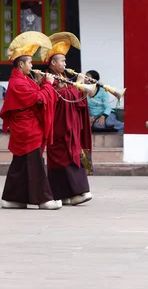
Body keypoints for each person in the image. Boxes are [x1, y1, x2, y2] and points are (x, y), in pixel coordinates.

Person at [0, 32, 61, 210]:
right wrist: (48, 85)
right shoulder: (17, 83)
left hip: (28, 127)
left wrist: (43, 83)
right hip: (27, 129)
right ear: (21, 64)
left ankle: (13, 199)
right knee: (35, 164)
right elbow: (38, 99)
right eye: (30, 63)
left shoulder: (25, 79)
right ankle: (44, 199)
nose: (32, 66)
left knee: (20, 165)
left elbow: (37, 94)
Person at [42, 32, 93, 206]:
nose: (65, 64)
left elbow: (73, 98)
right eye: (62, 61)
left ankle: (67, 194)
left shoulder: (63, 77)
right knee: (63, 158)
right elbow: (60, 96)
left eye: (65, 61)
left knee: (74, 155)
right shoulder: (47, 78)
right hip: (58, 126)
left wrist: (80, 88)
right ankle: (72, 193)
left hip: (70, 125)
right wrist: (78, 85)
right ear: (53, 62)